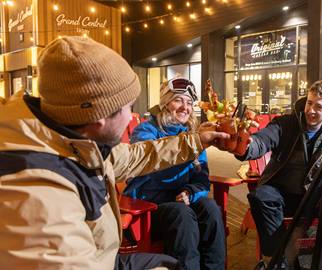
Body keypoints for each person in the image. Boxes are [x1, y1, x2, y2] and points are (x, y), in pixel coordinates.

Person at [0, 36, 228, 270]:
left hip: (104, 257)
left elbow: (137, 156)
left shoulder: (80, 143)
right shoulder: (40, 192)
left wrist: (195, 141)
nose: (132, 118)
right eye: (128, 108)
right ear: (100, 115)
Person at [233, 80, 322, 268]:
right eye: (309, 103)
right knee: (260, 196)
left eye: (319, 106)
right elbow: (262, 141)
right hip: (280, 191)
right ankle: (277, 261)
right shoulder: (286, 124)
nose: (311, 110)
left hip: (313, 197)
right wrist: (245, 146)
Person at [123, 78, 225, 270]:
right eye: (178, 100)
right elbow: (148, 165)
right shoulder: (146, 130)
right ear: (165, 103)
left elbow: (201, 179)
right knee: (182, 214)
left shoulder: (194, 135)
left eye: (188, 102)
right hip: (148, 207)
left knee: (210, 208)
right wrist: (189, 144)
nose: (184, 107)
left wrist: (190, 191)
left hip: (181, 204)